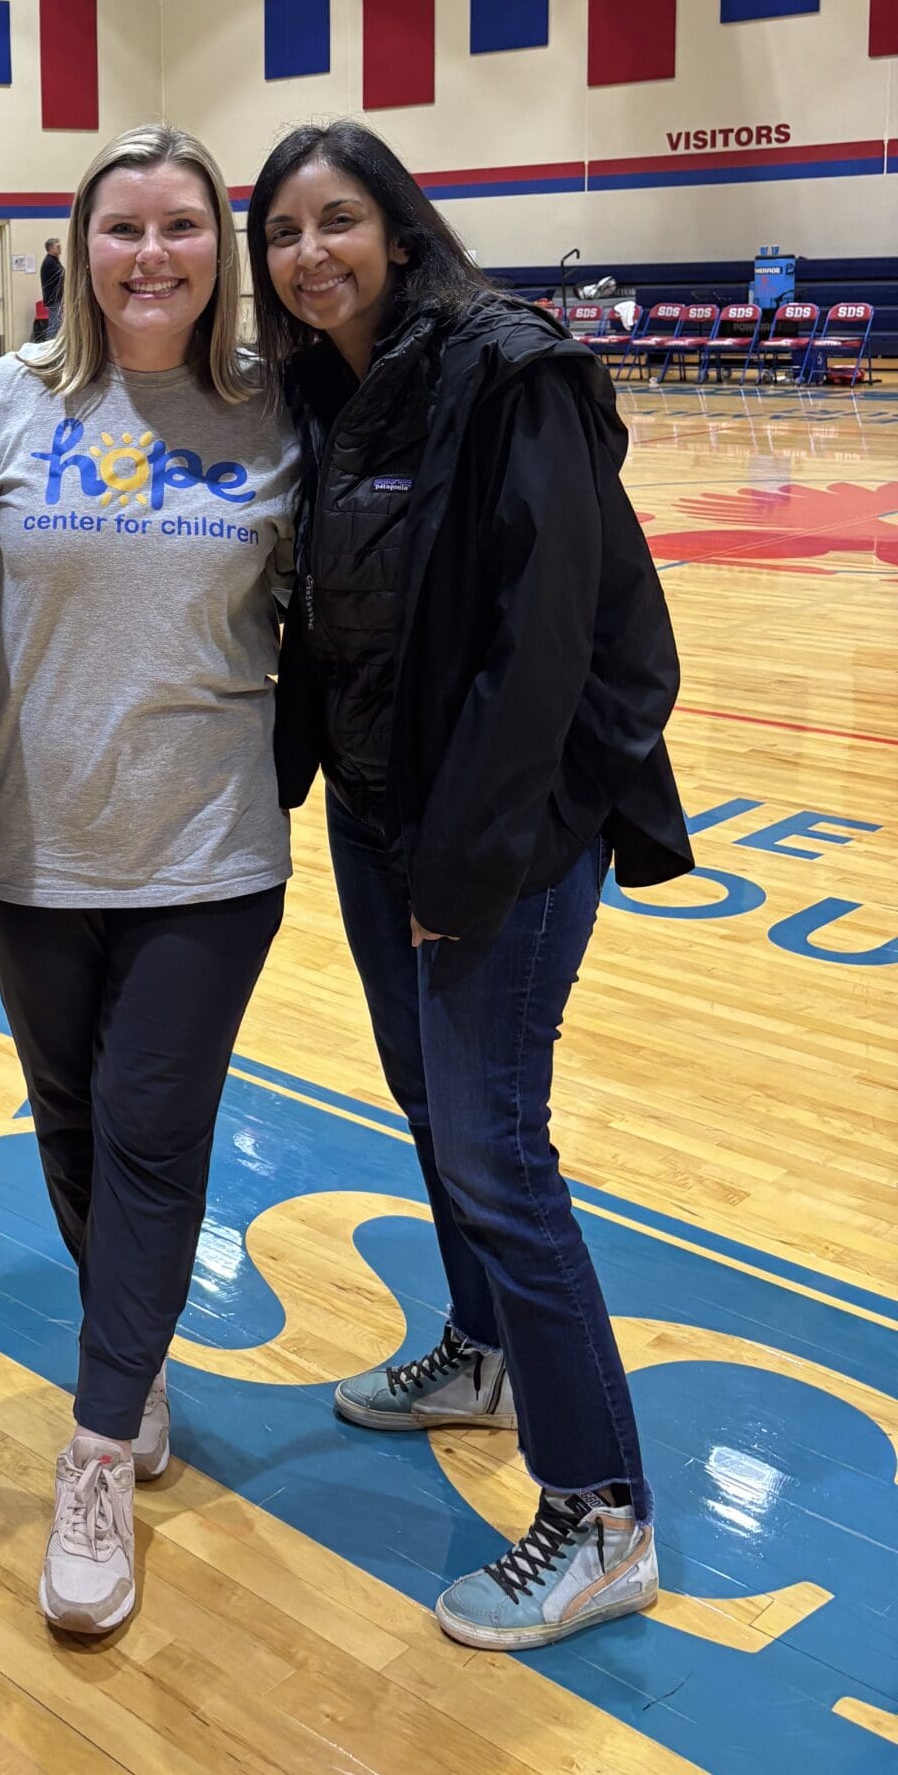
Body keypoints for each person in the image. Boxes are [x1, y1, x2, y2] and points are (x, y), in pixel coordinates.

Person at [248, 119, 693, 1654]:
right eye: (286, 232)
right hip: (383, 825)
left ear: (398, 227)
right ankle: (483, 1350)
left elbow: (552, 636)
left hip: (496, 838)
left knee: (500, 1152)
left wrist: (469, 860)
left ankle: (607, 1516)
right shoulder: (331, 394)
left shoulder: (510, 373)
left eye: (338, 221)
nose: (312, 254)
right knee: (438, 1115)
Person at [0, 124, 298, 1637]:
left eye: (181, 229)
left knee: (154, 1130)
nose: (152, 256)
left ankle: (94, 1455)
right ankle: (130, 1352)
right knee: (72, 1118)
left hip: (209, 853)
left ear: (220, 251)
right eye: (121, 229)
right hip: (29, 847)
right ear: (75, 251)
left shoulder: (281, 412)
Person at [39, 236, 65, 339]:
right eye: (57, 246)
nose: (60, 248)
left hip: (57, 298)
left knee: (56, 325)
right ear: (50, 248)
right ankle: (50, 347)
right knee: (54, 327)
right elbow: (64, 276)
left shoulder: (54, 261)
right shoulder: (50, 262)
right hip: (54, 300)